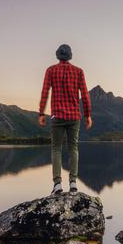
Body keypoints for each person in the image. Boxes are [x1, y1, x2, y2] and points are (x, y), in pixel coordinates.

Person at [39, 44, 92, 194]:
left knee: (56, 148)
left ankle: (57, 185)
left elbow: (44, 92)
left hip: (57, 116)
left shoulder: (51, 70)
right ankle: (73, 182)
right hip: (74, 116)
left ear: (57, 55)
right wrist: (88, 115)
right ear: (70, 56)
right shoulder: (78, 72)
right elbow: (85, 95)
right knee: (73, 147)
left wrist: (41, 113)